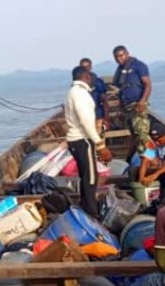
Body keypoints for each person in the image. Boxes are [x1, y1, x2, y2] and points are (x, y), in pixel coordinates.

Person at [64, 66, 112, 218]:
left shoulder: (73, 92)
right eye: (91, 77)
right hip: (82, 140)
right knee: (91, 177)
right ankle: (92, 213)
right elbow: (86, 122)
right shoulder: (80, 94)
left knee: (86, 175)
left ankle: (86, 206)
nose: (92, 80)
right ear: (86, 77)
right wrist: (101, 145)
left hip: (77, 140)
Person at [111, 45, 152, 151]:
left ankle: (151, 159)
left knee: (142, 135)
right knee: (133, 135)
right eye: (116, 57)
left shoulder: (139, 66)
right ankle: (141, 159)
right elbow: (119, 90)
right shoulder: (120, 70)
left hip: (138, 104)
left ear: (127, 53)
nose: (119, 59)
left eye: (121, 56)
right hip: (126, 106)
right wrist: (120, 109)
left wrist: (142, 102)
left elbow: (148, 85)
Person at [79, 57, 110, 132]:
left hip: (98, 116)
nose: (85, 69)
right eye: (83, 68)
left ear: (91, 67)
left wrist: (106, 119)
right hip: (84, 118)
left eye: (87, 67)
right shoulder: (78, 84)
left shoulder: (98, 82)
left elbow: (105, 101)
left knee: (99, 141)